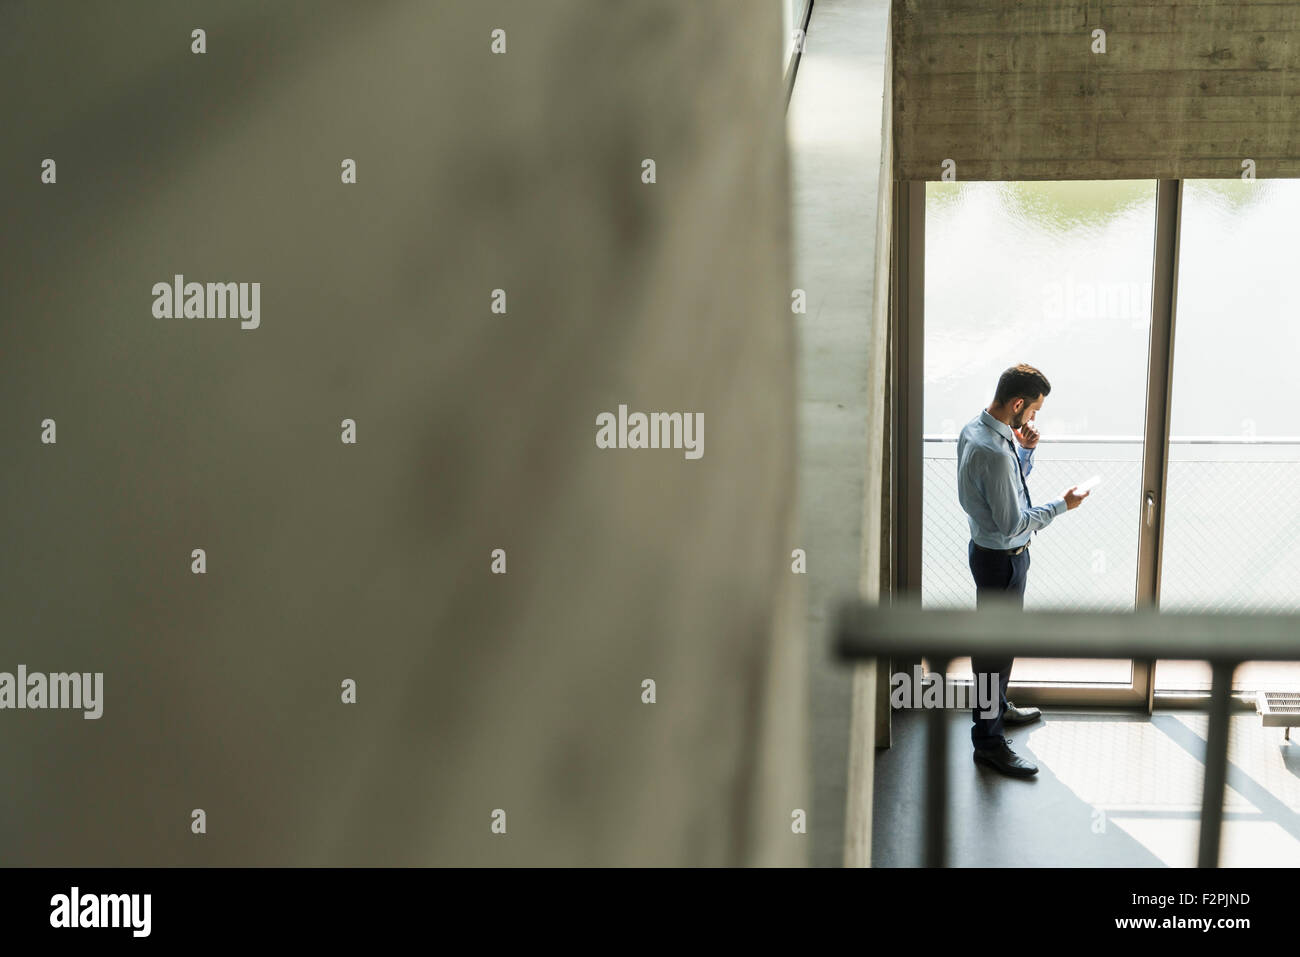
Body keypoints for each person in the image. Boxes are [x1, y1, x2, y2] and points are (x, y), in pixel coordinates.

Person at [956, 363, 1089, 777]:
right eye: (1033, 410)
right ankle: (989, 743)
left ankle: (996, 711)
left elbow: (1007, 493)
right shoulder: (995, 452)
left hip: (993, 553)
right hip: (1002, 560)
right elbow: (1013, 521)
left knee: (997, 645)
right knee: (994, 651)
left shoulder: (976, 432)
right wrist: (1061, 506)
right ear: (1017, 403)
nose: (1033, 418)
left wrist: (1026, 450)